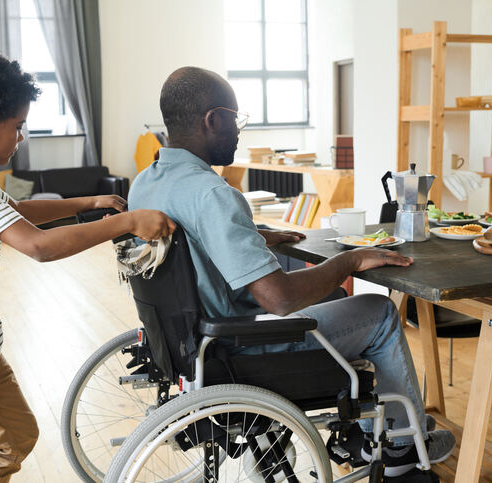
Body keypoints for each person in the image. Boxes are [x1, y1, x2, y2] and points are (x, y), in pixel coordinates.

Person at [127, 66, 455, 477]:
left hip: (191, 347)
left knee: (333, 299)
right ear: (213, 120)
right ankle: (404, 449)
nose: (238, 131)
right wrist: (349, 262)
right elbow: (278, 299)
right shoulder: (213, 193)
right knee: (380, 312)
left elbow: (193, 246)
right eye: (235, 119)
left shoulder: (144, 184)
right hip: (242, 347)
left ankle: (378, 423)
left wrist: (253, 236)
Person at [0, 51, 175, 482]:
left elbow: (18, 210)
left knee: (16, 437)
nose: (21, 137)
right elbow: (38, 246)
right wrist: (127, 221)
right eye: (18, 126)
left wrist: (92, 202)